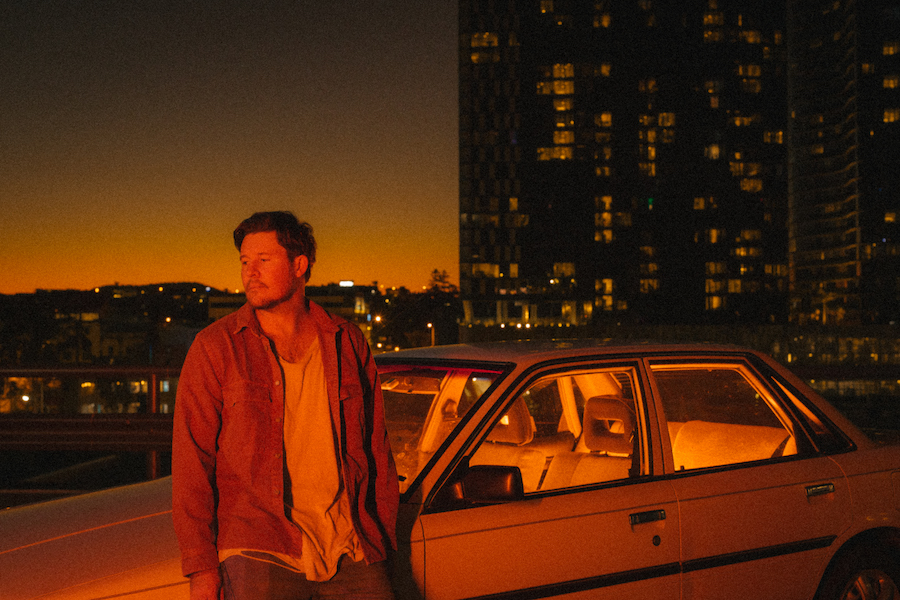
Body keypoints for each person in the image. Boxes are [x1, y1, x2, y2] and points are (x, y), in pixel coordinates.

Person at [172, 211, 398, 600]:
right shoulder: (216, 347)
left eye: (264, 259)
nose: (250, 272)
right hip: (259, 545)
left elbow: (377, 449)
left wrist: (384, 541)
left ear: (299, 266)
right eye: (245, 261)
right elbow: (192, 464)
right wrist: (202, 570)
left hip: (350, 544)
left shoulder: (346, 340)